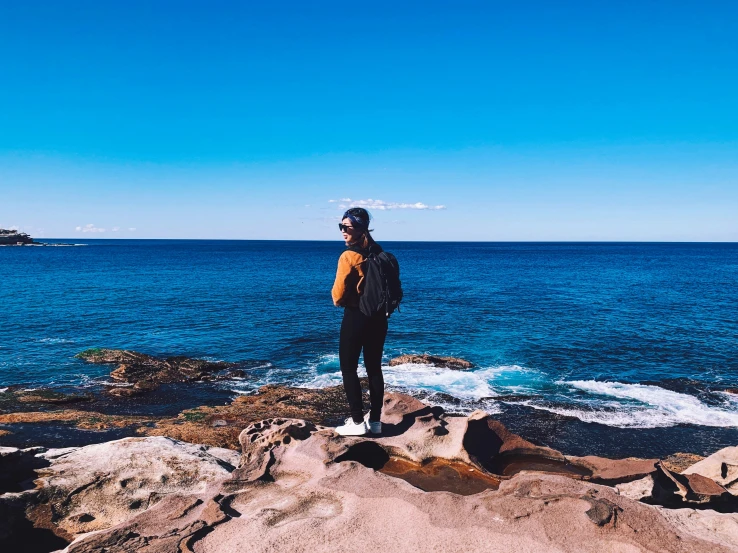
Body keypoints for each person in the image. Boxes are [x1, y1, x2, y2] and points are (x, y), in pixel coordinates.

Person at [331, 207, 387, 436]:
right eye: (341, 227)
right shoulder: (380, 253)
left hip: (356, 316)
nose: (343, 231)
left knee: (348, 367)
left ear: (360, 228)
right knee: (374, 368)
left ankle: (356, 422)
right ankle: (375, 422)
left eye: (347, 227)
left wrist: (342, 300)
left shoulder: (349, 256)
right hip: (379, 318)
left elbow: (338, 295)